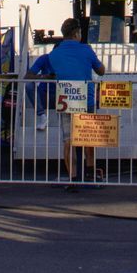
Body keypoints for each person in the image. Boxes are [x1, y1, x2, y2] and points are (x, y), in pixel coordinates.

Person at [29, 18, 107, 183]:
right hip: (86, 97)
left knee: (68, 139)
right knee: (88, 137)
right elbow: (101, 71)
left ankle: (72, 176)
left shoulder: (54, 54)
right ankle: (90, 173)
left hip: (65, 97)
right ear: (77, 33)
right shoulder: (86, 49)